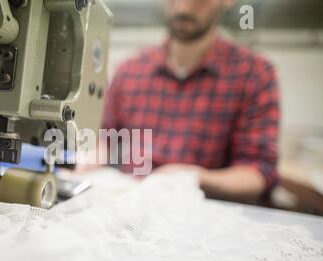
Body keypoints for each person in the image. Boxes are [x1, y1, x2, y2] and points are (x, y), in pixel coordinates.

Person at [100, 0, 280, 203]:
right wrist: (81, 163)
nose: (183, 8)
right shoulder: (128, 70)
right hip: (126, 208)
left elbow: (259, 172)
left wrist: (193, 177)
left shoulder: (254, 74)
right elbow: (106, 141)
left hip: (201, 218)